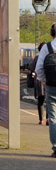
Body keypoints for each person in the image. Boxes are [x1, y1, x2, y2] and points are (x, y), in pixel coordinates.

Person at [34, 23, 56, 157]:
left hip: (52, 86)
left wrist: (44, 81)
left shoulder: (47, 47)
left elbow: (38, 69)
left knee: (53, 117)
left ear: (51, 33)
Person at [31, 43, 48, 125]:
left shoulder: (37, 58)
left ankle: (41, 120)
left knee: (40, 102)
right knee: (49, 102)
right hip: (49, 81)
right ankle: (48, 119)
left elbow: (32, 69)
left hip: (39, 82)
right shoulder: (49, 56)